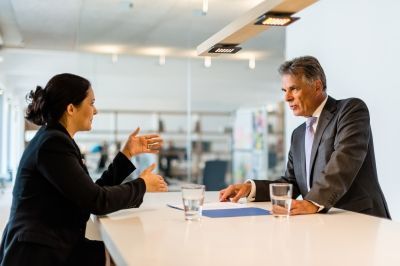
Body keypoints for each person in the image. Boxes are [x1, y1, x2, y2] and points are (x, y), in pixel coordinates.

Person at [0, 73, 168, 266]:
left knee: (120, 253)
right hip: (38, 253)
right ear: (71, 108)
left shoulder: (55, 138)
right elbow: (96, 201)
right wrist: (142, 185)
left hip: (54, 243)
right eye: (91, 103)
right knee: (125, 253)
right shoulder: (53, 143)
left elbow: (90, 193)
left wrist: (127, 154)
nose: (95, 111)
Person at [220, 56, 391, 219]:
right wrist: (251, 188)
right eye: (284, 90)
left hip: (359, 219)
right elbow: (292, 182)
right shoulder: (299, 134)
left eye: (294, 89)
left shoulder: (350, 110)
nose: (287, 97)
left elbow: (344, 160)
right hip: (323, 224)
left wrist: (313, 202)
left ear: (317, 86)